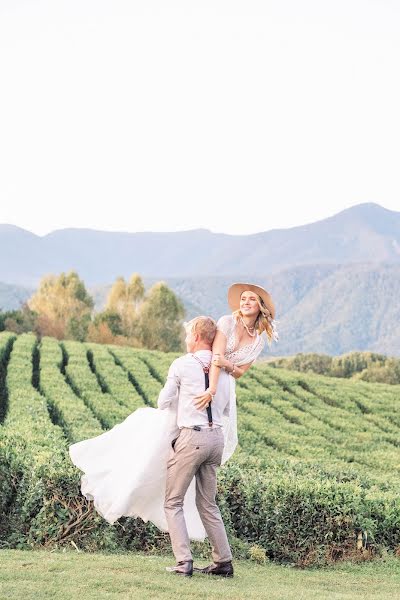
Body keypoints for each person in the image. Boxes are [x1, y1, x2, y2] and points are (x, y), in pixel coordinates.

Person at [69, 283, 278, 576]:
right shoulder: (227, 378)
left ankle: (184, 562)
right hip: (216, 437)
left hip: (191, 437)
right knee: (208, 504)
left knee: (173, 501)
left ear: (195, 337)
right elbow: (228, 402)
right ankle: (224, 562)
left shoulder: (182, 365)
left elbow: (163, 401)